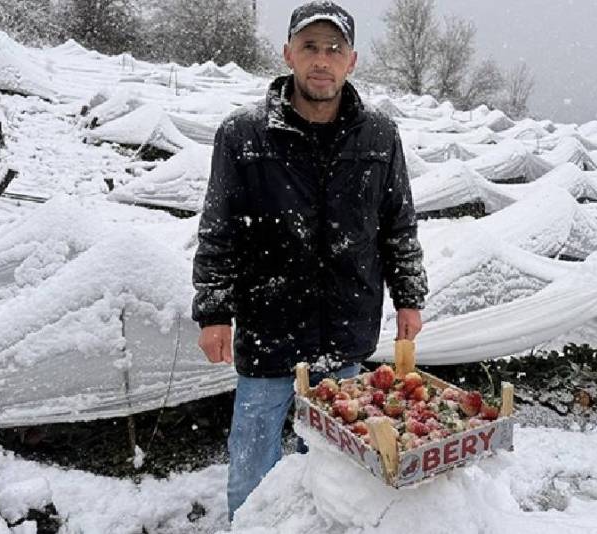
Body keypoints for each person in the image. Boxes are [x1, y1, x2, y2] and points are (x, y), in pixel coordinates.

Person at [191, 0, 428, 521]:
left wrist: (409, 296)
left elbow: (397, 224)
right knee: (253, 457)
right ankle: (249, 524)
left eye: (334, 49)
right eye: (310, 48)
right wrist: (213, 311)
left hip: (344, 326)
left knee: (330, 458)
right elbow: (219, 228)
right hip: (269, 322)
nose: (322, 60)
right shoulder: (244, 135)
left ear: (352, 60)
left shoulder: (380, 136)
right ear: (288, 55)